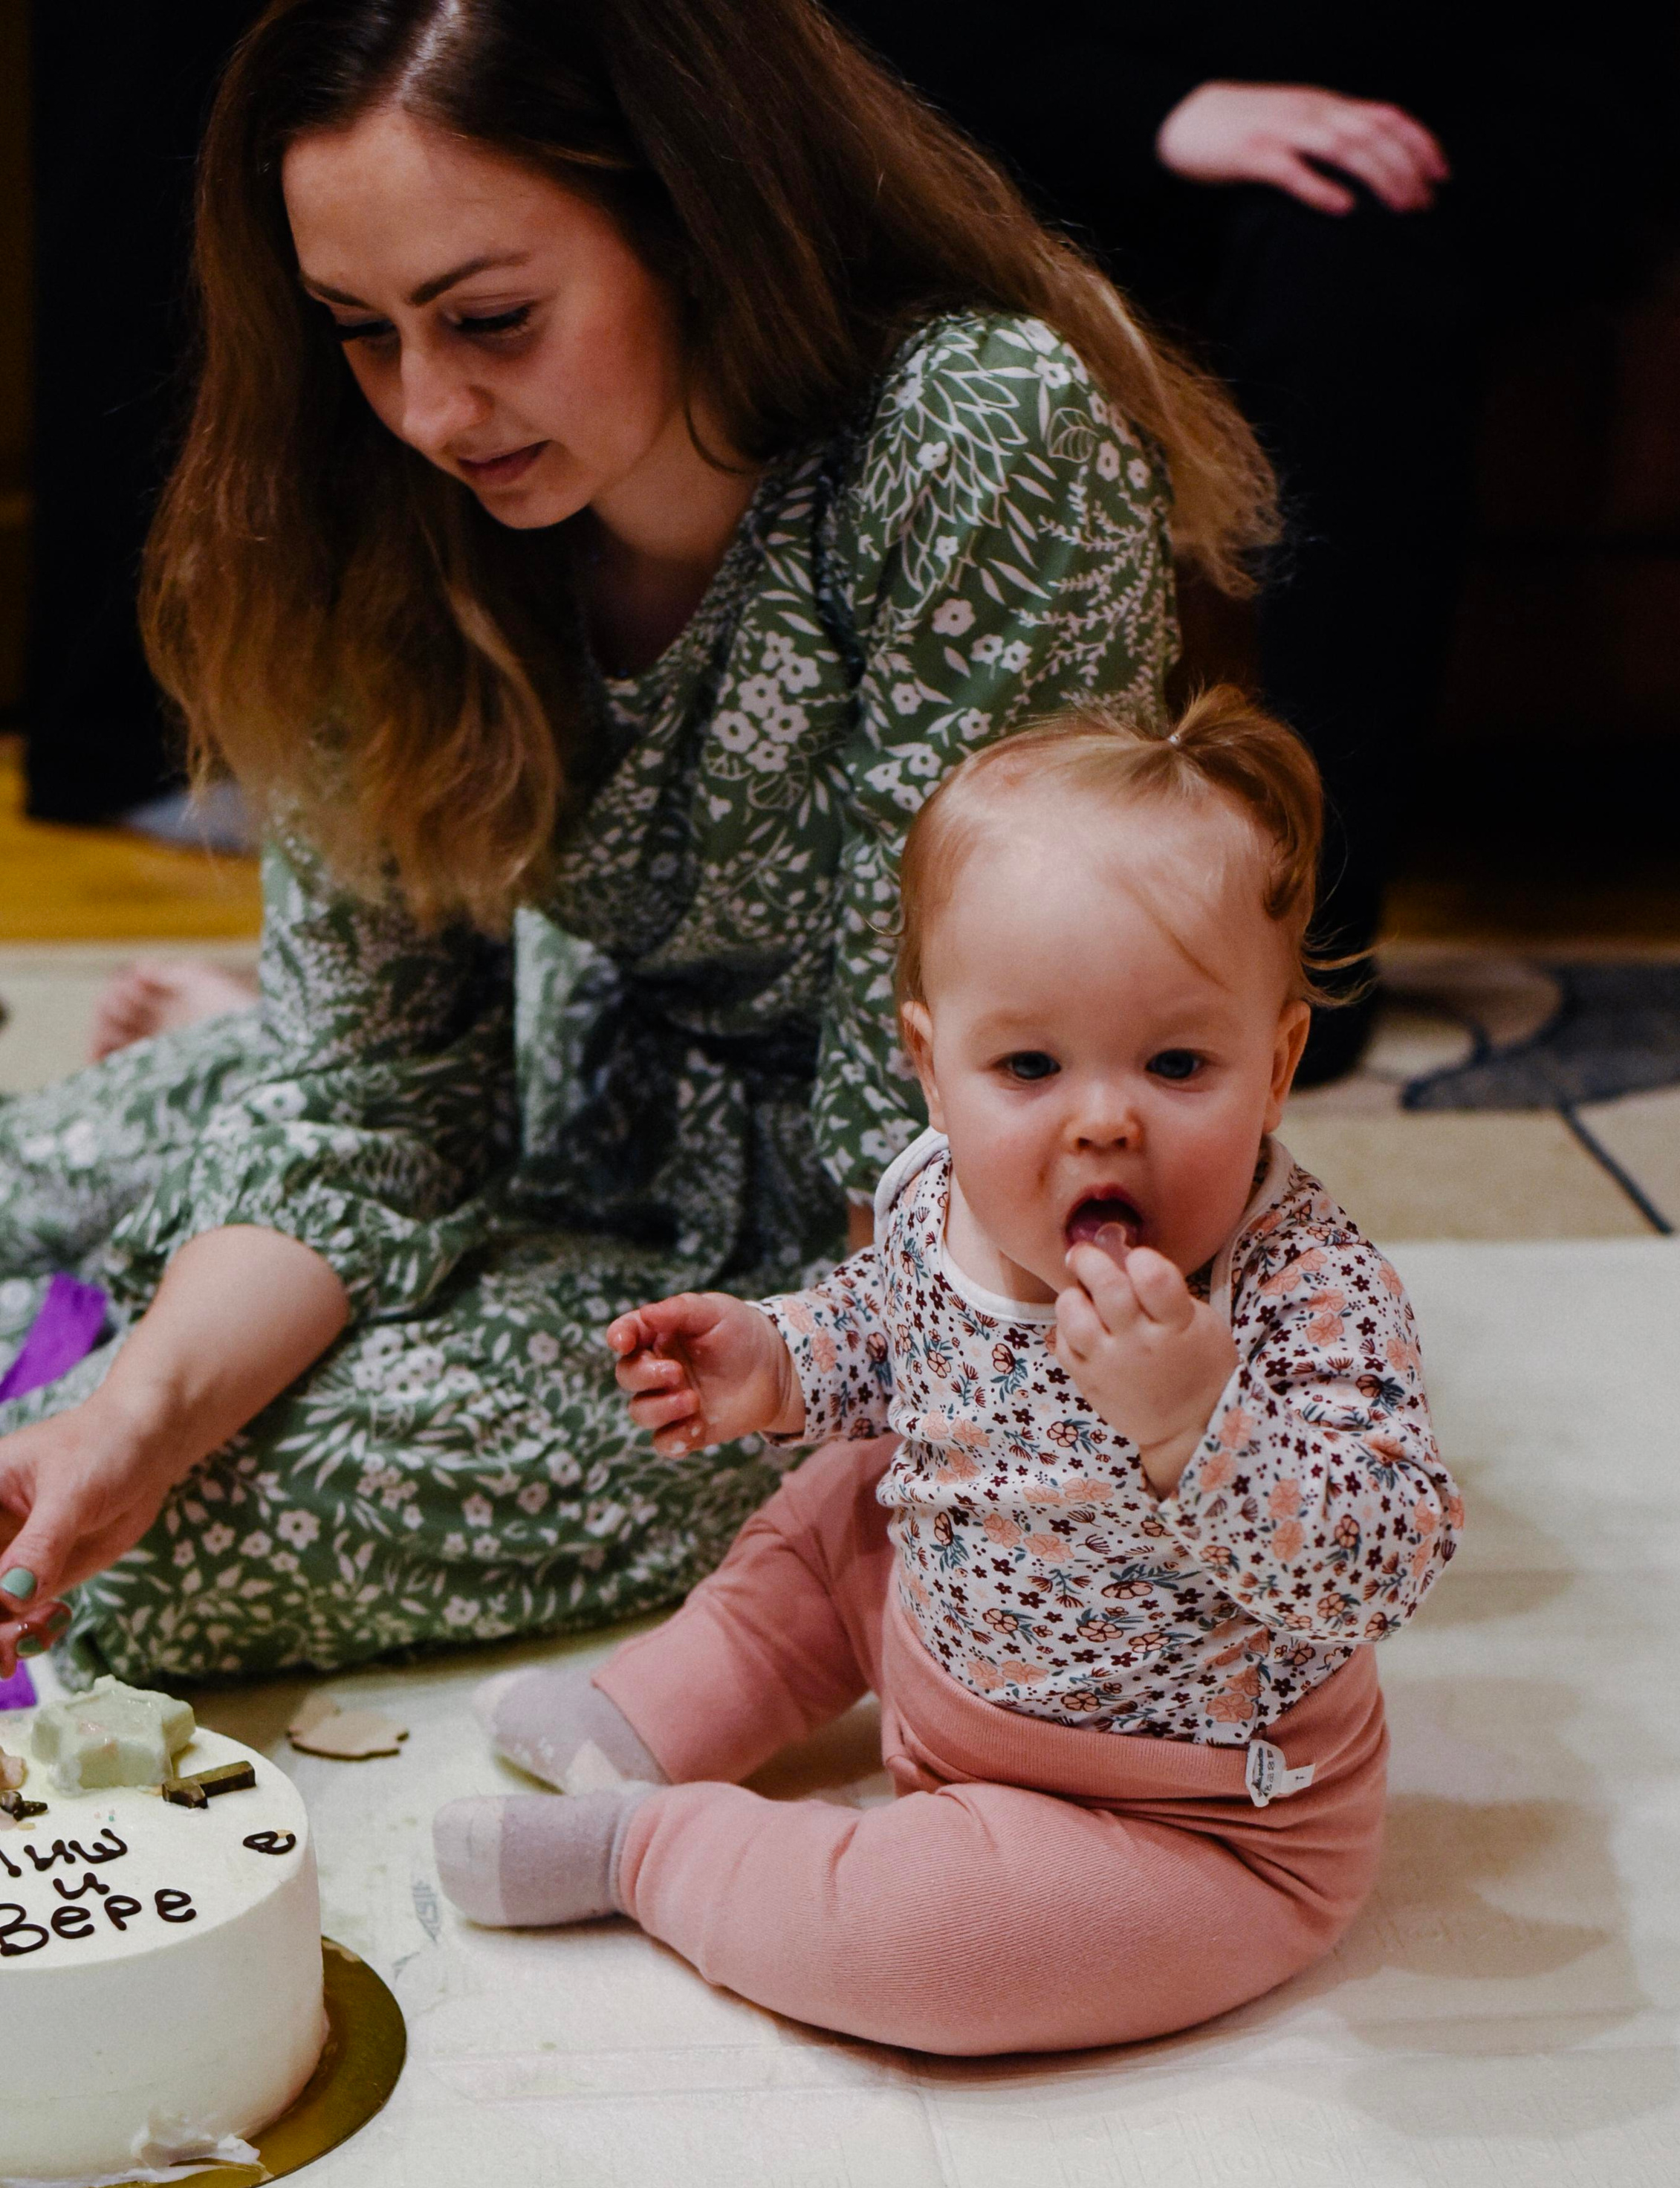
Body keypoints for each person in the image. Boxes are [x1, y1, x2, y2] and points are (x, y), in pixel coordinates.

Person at [0, 0, 1274, 1689]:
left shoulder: (975, 430)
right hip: (557, 1087)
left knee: (169, 1540)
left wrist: (146, 1450)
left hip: (850, 1268)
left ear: (696, 213)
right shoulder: (363, 499)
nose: (432, 407)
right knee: (104, 1397)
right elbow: (368, 1103)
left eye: (492, 319)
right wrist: (139, 1408)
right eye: (359, 331)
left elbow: (943, 1135)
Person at [433, 690, 1462, 2056]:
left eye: (1178, 1063)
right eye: (1029, 1065)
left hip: (1189, 1814)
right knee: (835, 1508)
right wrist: (781, 1361)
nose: (1104, 1118)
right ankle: (650, 1711)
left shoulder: (1305, 1292)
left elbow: (1384, 1559)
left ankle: (647, 1853)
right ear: (933, 1068)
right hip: (932, 1628)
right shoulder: (939, 1198)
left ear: (1275, 1069)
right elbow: (889, 1323)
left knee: (933, 1954)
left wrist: (1201, 1425)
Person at [831, 3, 1672, 1081]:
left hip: (1422, 161)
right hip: (1074, 128)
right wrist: (1168, 115)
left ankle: (1305, 936)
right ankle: (948, 942)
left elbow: (1597, 102)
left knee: (1350, 256)